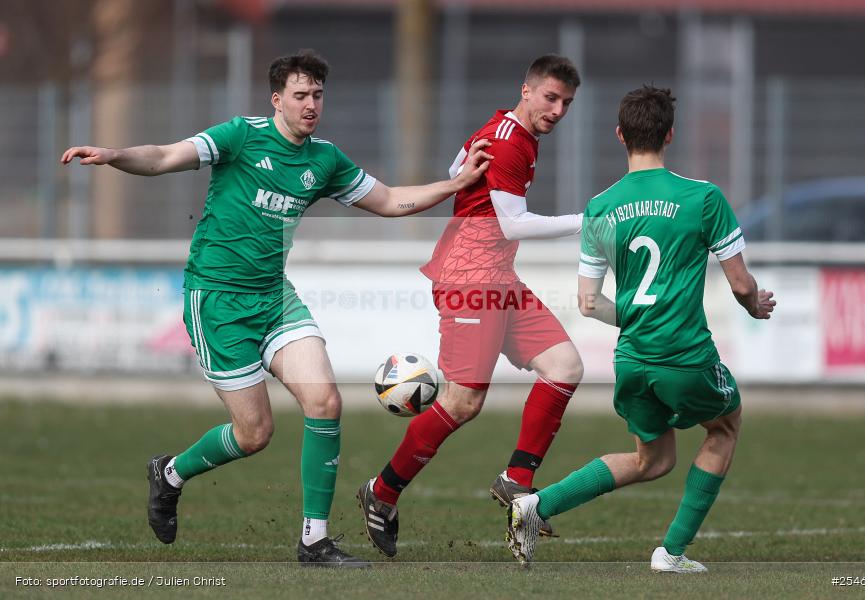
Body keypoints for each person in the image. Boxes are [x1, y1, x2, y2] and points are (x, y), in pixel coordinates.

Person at [60, 49, 492, 568]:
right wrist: (115, 154)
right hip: (217, 300)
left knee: (325, 402)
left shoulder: (325, 160)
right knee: (254, 434)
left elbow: (387, 200)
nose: (311, 105)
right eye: (300, 95)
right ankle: (170, 473)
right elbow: (163, 157)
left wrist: (455, 184)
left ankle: (315, 540)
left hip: (274, 296)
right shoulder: (240, 136)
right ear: (276, 99)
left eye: (318, 95)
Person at [506, 85, 776, 571]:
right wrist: (755, 304)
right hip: (684, 353)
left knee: (653, 460)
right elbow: (740, 284)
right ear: (669, 134)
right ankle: (671, 552)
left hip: (632, 357)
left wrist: (637, 318)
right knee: (725, 426)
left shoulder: (600, 206)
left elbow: (588, 302)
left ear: (620, 135)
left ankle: (536, 506)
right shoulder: (703, 198)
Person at [358, 54, 585, 557]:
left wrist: (465, 177)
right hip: (470, 280)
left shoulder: (506, 128)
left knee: (565, 366)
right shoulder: (509, 141)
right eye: (550, 98)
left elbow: (456, 165)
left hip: (498, 277)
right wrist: (586, 222)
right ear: (526, 91)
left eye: (567, 103)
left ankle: (516, 478)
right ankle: (382, 491)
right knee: (462, 402)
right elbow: (513, 224)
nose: (558, 110)